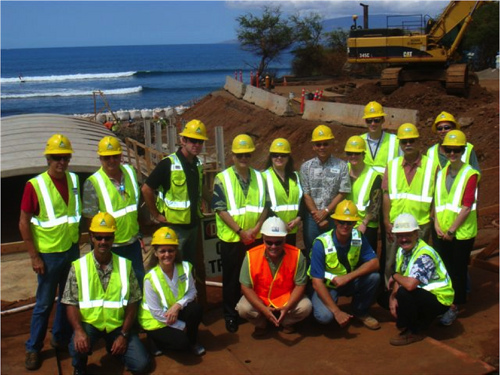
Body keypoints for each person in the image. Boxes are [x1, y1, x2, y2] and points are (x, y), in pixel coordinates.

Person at [19, 134, 81, 371]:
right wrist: (34, 256)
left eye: (65, 157)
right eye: (57, 157)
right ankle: (33, 347)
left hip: (71, 249)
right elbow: (24, 222)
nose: (62, 162)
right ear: (48, 158)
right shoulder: (35, 186)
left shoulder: (74, 180)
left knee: (68, 299)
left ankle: (60, 338)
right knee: (44, 304)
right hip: (49, 255)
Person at [62, 213, 150, 375]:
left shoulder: (125, 266)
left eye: (107, 238)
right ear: (91, 238)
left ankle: (115, 347)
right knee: (77, 348)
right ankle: (79, 367)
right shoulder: (79, 266)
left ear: (113, 238)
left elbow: (132, 303)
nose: (103, 242)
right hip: (90, 324)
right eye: (99, 237)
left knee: (141, 365)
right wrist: (79, 331)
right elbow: (70, 302)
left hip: (117, 325)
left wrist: (123, 335)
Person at [212, 134, 268, 333]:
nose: (244, 158)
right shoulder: (222, 178)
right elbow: (220, 208)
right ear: (233, 156)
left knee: (253, 277)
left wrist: (256, 228)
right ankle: (230, 315)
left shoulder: (260, 178)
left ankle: (250, 310)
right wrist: (240, 231)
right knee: (231, 278)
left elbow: (265, 206)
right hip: (232, 238)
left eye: (247, 155)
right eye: (240, 155)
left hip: (255, 236)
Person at [141, 119, 210, 265]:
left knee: (190, 267)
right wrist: (156, 215)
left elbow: (201, 189)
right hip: (174, 228)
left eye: (200, 141)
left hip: (193, 226)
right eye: (193, 140)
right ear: (183, 140)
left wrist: (216, 204)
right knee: (173, 268)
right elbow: (146, 189)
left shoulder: (197, 164)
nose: (196, 145)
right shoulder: (168, 164)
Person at [82, 136, 144, 288]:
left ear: (120, 156)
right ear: (100, 158)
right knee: (113, 288)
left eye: (115, 156)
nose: (111, 161)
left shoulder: (130, 172)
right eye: (106, 157)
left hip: (132, 243)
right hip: (110, 247)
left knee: (138, 286)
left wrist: (139, 234)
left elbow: (134, 209)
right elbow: (90, 220)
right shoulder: (93, 182)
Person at [309, 200, 381, 331]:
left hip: (348, 282)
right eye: (341, 221)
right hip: (327, 286)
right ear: (335, 221)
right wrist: (337, 312)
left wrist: (347, 277)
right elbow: (316, 282)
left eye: (349, 222)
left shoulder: (358, 237)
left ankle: (360, 311)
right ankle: (328, 306)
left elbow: (375, 263)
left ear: (355, 223)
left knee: (374, 277)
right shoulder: (321, 243)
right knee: (324, 317)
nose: (345, 226)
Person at [236, 217, 312, 337]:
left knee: (305, 307)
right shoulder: (251, 256)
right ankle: (262, 324)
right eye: (269, 242)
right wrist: (263, 309)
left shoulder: (297, 255)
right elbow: (246, 287)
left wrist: (287, 307)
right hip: (261, 299)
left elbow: (300, 285)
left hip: (286, 300)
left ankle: (285, 321)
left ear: (285, 239)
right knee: (243, 308)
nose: (273, 246)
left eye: (278, 242)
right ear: (263, 240)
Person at [385, 213, 454, 346]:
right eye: (400, 236)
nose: (403, 239)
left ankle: (415, 331)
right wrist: (393, 297)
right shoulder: (402, 251)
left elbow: (409, 285)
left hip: (440, 299)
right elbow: (401, 274)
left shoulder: (424, 254)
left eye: (407, 235)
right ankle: (418, 318)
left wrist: (394, 276)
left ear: (416, 234)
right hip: (423, 293)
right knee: (386, 298)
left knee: (404, 293)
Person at [382, 123, 437, 287]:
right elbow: (386, 195)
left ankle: (416, 295)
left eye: (411, 141)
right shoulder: (392, 166)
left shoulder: (432, 166)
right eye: (404, 141)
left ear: (418, 142)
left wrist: (432, 218)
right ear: (400, 143)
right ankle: (390, 294)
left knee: (418, 262)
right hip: (396, 225)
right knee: (391, 263)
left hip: (420, 224)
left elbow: (436, 198)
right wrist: (386, 221)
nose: (408, 145)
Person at [434, 130, 479, 326]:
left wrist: (452, 230)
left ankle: (454, 305)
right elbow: (438, 200)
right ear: (443, 150)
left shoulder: (470, 174)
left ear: (463, 150)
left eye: (457, 150)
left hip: (460, 233)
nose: (452, 154)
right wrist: (436, 223)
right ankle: (445, 301)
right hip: (442, 230)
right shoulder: (441, 172)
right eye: (449, 150)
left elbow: (466, 205)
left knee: (458, 270)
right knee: (444, 267)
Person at [138, 227, 205, 356]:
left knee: (196, 309)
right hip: (156, 320)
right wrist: (181, 326)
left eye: (170, 250)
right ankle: (154, 339)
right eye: (162, 251)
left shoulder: (185, 268)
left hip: (174, 312)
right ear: (156, 253)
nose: (167, 255)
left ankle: (193, 341)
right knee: (181, 344)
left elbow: (192, 292)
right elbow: (156, 312)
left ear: (176, 251)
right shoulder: (150, 278)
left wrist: (177, 305)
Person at [300, 125, 351, 254]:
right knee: (312, 250)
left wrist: (326, 211)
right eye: (318, 144)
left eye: (325, 144)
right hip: (313, 218)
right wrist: (317, 214)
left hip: (334, 217)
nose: (322, 147)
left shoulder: (342, 166)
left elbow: (343, 191)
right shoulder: (306, 167)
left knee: (333, 251)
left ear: (332, 144)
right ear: (313, 146)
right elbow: (306, 193)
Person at [344, 135, 382, 252]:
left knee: (366, 258)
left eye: (357, 153)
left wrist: (364, 223)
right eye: (350, 153)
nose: (353, 156)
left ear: (363, 155)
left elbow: (376, 204)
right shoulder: (343, 170)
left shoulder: (373, 176)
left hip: (366, 225)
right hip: (345, 222)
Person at [263, 138, 303, 246]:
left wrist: (298, 219)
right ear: (270, 157)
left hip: (291, 229)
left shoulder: (296, 177)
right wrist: (281, 223)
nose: (279, 158)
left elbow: (302, 200)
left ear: (288, 157)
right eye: (275, 155)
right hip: (273, 230)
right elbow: (264, 205)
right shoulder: (264, 177)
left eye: (283, 155)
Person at [360, 101, 400, 174]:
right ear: (365, 121)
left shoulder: (395, 141)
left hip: (386, 184)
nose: (373, 124)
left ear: (383, 120)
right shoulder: (359, 141)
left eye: (376, 120)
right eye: (369, 121)